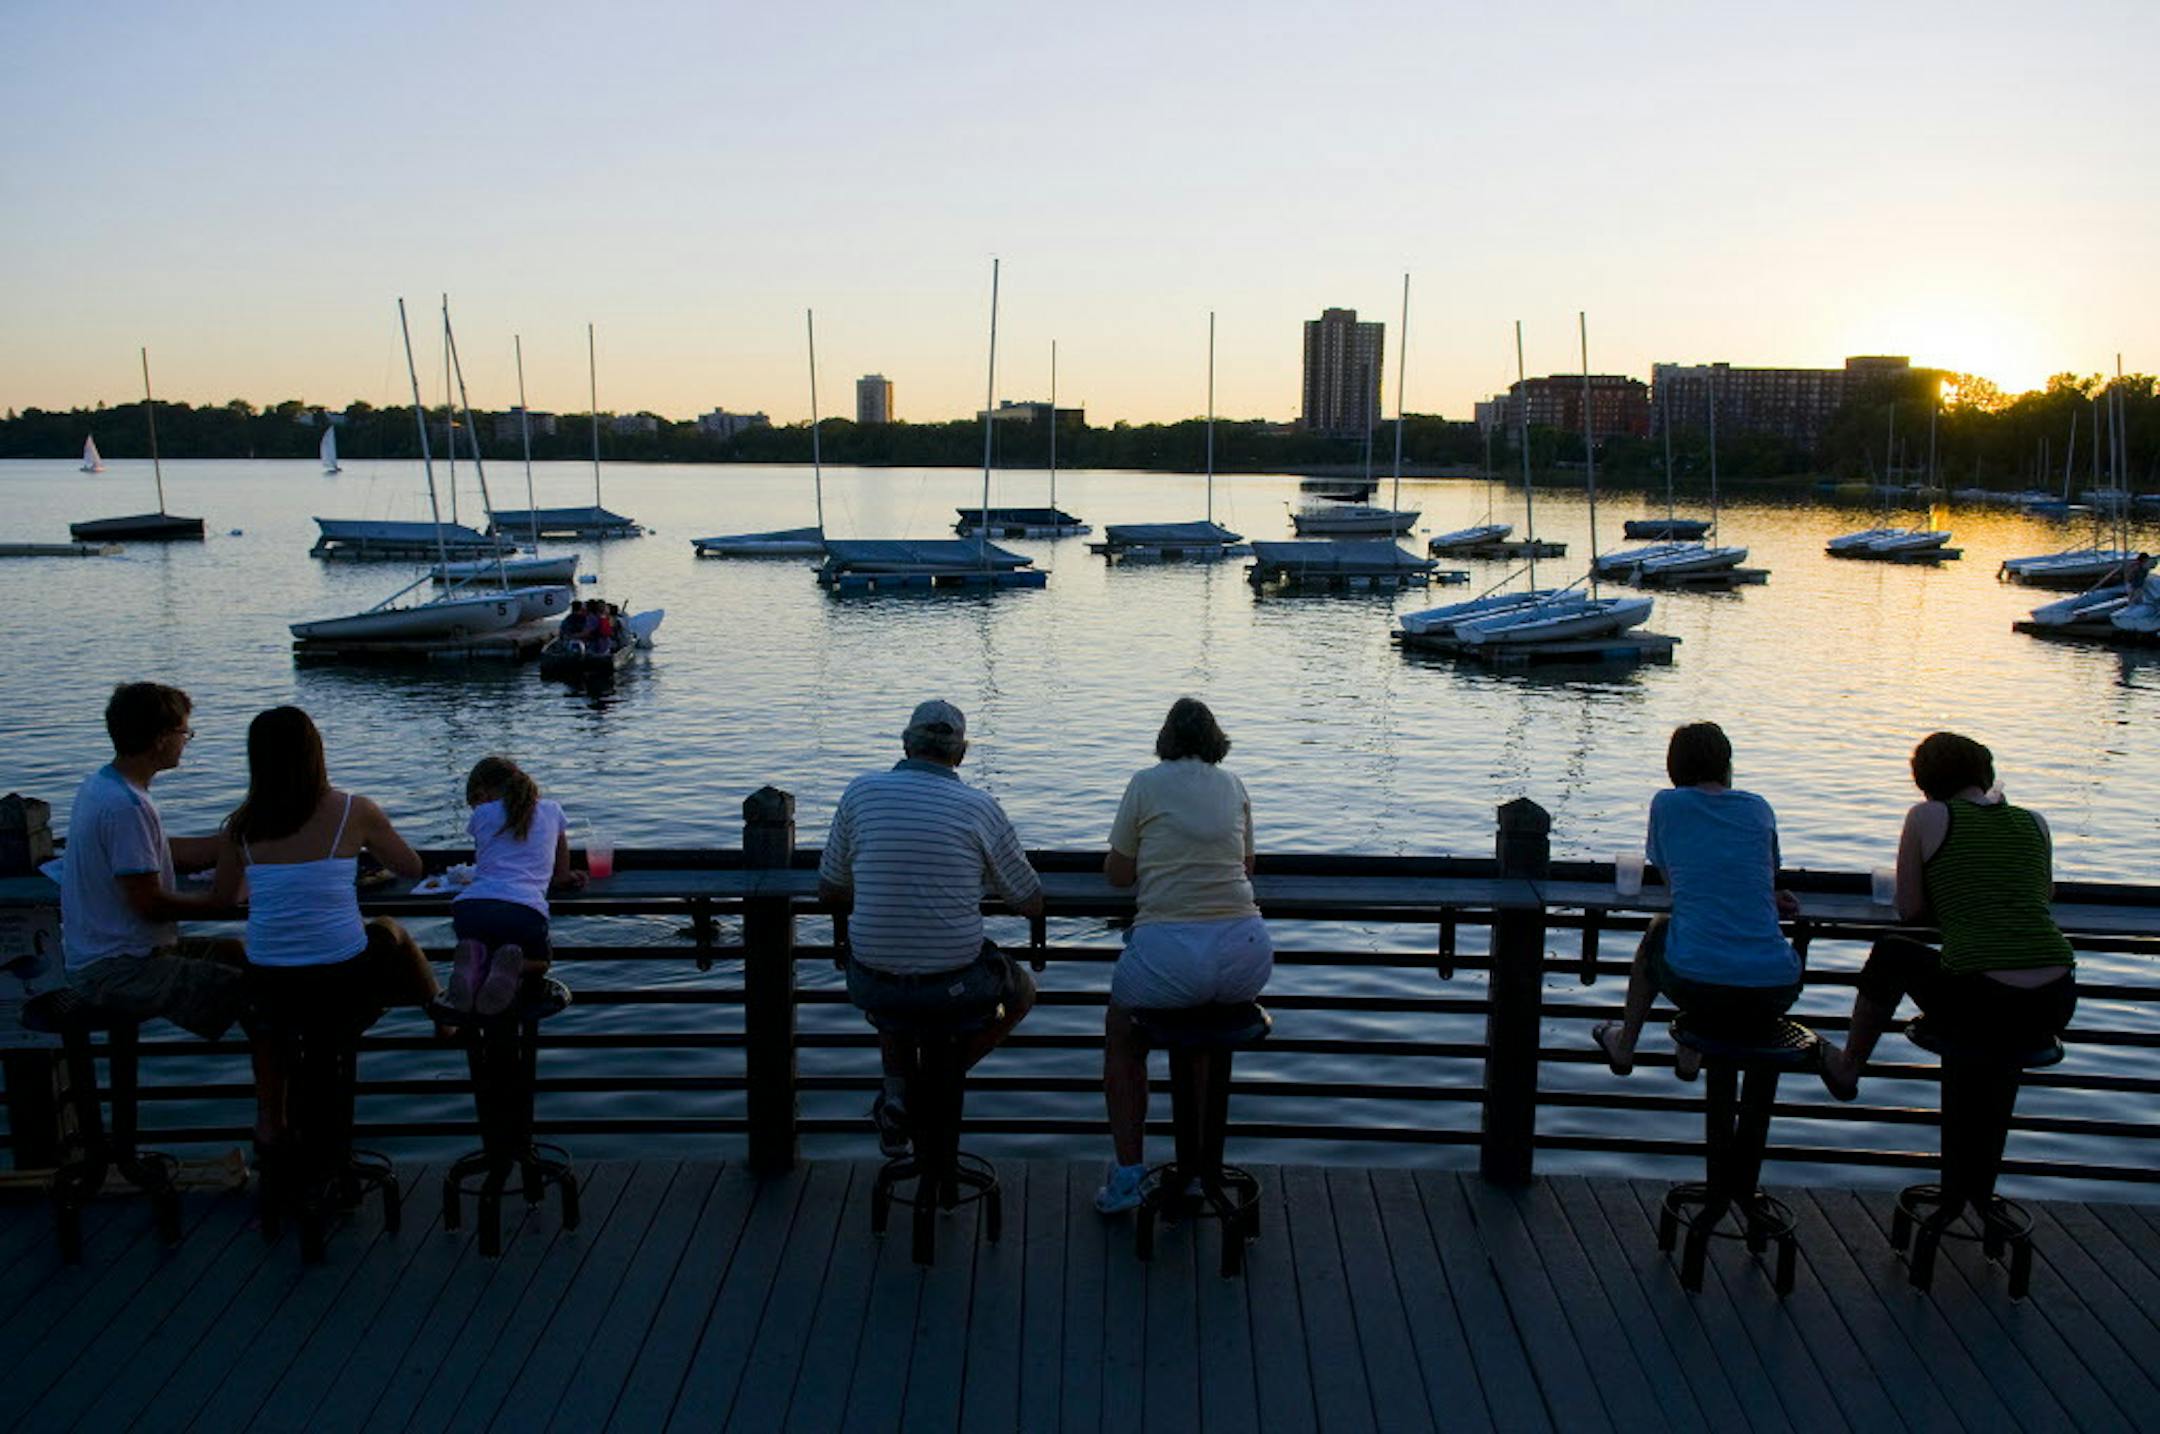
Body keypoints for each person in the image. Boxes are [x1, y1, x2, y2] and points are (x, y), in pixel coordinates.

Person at [818, 699, 1043, 1157]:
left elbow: (830, 890)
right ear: (960, 754)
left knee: (893, 983)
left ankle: (901, 1095)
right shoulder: (980, 807)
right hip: (954, 985)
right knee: (1022, 993)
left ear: (905, 744)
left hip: (871, 981)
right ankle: (930, 1088)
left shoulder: (860, 793)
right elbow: (1029, 900)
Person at [212, 706, 436, 1146]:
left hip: (272, 989)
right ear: (316, 752)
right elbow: (411, 867)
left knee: (267, 999)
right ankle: (440, 1010)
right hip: (341, 985)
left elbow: (224, 899)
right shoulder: (355, 811)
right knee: (387, 930)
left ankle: (280, 1129)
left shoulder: (240, 826)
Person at [1819, 732, 2076, 1100]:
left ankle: (1847, 1067)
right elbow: (2042, 895)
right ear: (1985, 774)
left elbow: (1910, 910)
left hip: (1983, 1002)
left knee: (1891, 952)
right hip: (2056, 1000)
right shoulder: (2035, 821)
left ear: (1924, 782)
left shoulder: (1926, 816)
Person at [1095, 697, 1272, 1214]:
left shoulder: (1145, 784)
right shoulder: (1235, 785)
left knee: (1124, 1035)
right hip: (1245, 952)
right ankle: (1197, 1171)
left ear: (1166, 739)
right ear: (1215, 741)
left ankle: (1129, 1175)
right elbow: (1246, 867)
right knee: (1202, 1038)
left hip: (1171, 952)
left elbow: (1119, 875)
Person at [1592, 721, 1803, 1079]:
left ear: (1674, 768)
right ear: (1726, 766)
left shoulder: (1667, 804)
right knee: (1698, 940)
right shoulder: (1758, 808)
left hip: (1702, 986)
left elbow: (1678, 889)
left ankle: (1625, 1046)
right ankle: (1688, 1055)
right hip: (1776, 988)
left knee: (1663, 930)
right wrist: (1765, 895)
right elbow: (1761, 873)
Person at [59, 683, 248, 1042]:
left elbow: (155, 852)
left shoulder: (101, 785)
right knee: (256, 991)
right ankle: (278, 1091)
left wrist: (234, 842)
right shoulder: (127, 807)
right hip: (118, 969)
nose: (186, 741)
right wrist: (218, 902)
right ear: (161, 738)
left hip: (99, 956)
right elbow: (148, 904)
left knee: (234, 952)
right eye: (184, 732)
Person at [449, 755, 582, 1016]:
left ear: (482, 793)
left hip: (470, 909)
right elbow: (561, 872)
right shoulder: (552, 810)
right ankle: (516, 966)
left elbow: (485, 859)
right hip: (523, 911)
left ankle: (476, 958)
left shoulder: (482, 814)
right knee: (542, 963)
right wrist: (565, 878)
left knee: (486, 948)